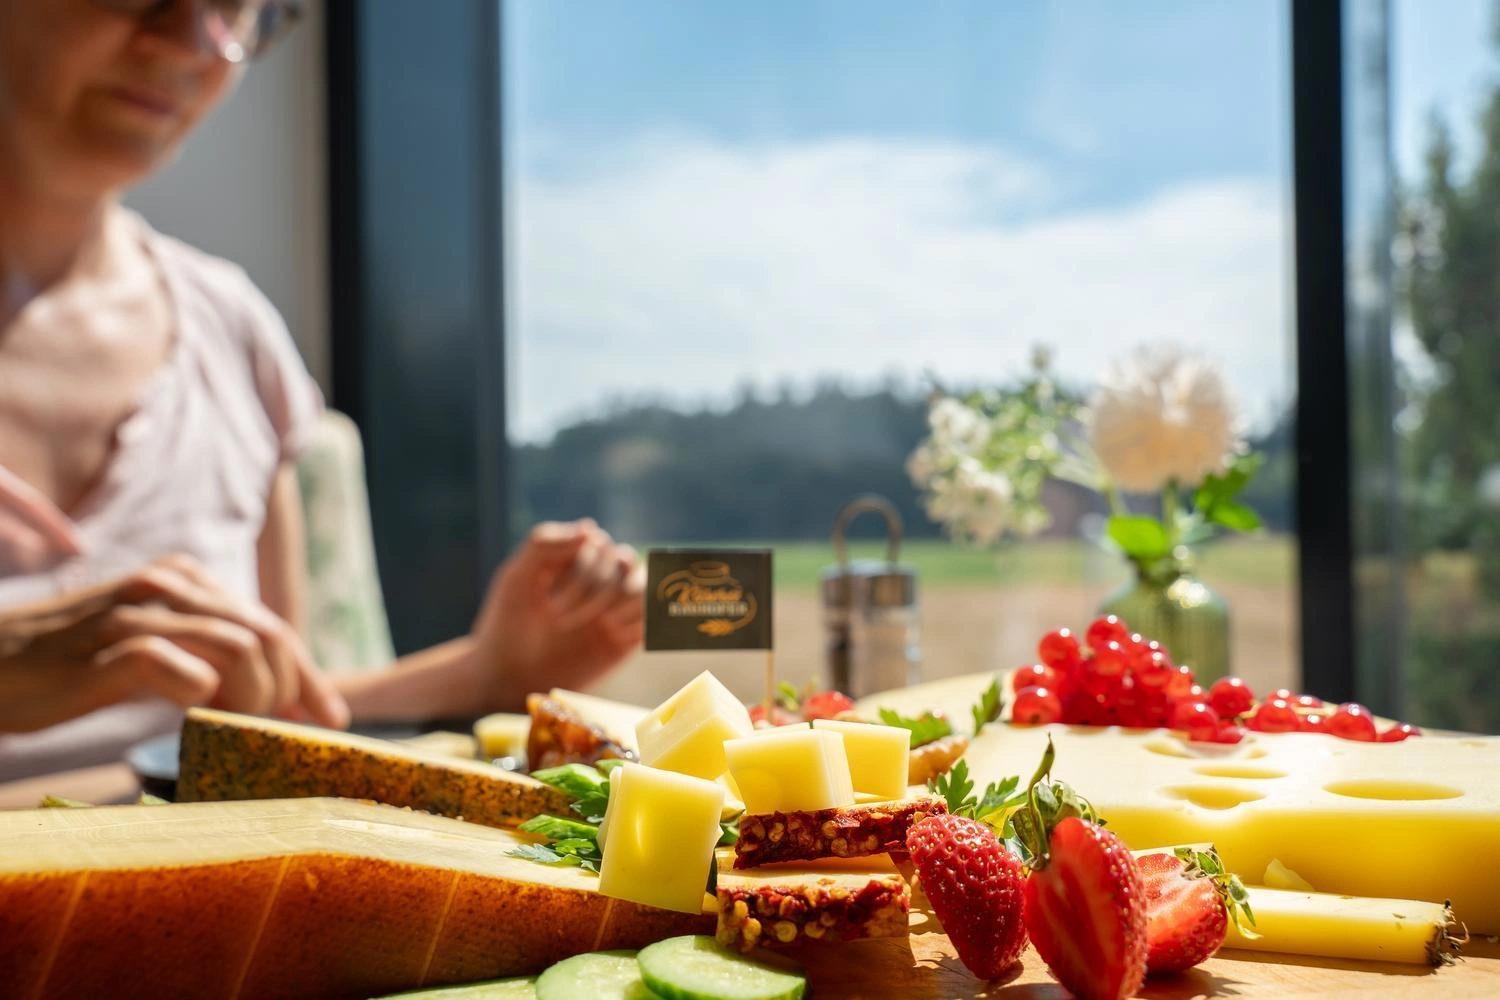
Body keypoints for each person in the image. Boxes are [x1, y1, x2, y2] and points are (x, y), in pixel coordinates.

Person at [0, 0, 643, 782]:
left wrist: (490, 673)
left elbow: (275, 707)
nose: (192, 42)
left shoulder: (230, 331)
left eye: (233, 9)